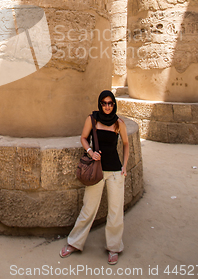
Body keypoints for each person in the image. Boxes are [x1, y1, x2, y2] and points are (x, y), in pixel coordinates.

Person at [59, 90, 129, 265]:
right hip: (95, 171)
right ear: (100, 104)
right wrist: (90, 152)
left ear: (114, 104)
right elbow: (83, 138)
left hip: (114, 172)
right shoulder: (92, 119)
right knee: (89, 208)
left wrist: (125, 166)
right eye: (104, 103)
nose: (107, 106)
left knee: (115, 211)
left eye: (110, 103)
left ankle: (114, 247)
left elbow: (126, 144)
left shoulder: (119, 123)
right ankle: (74, 242)